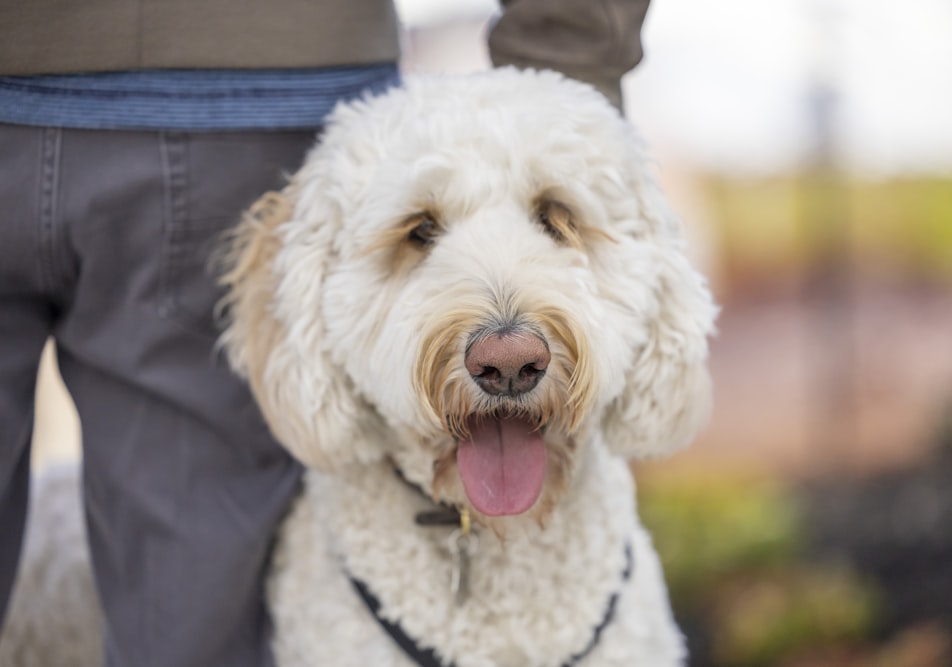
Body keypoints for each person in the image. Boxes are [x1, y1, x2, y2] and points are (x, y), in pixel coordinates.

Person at [0, 1, 650, 665]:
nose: (505, 349)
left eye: (554, 220)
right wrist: (572, 76)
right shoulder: (342, 202)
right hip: (247, 91)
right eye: (420, 234)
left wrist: (568, 120)